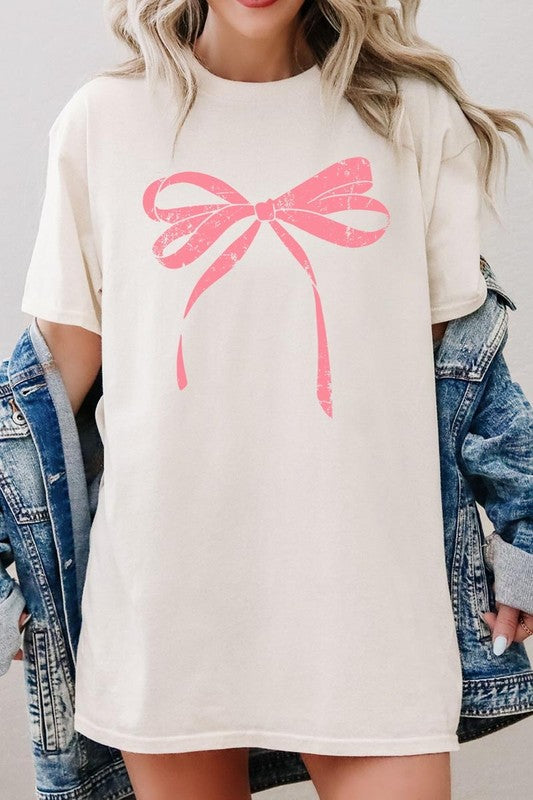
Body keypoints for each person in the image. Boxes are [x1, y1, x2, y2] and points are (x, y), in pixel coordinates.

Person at [18, 1, 532, 798]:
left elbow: (465, 371)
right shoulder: (103, 120)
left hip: (368, 600)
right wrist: (16, 569)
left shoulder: (410, 116)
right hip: (166, 602)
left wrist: (523, 536)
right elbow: (45, 395)